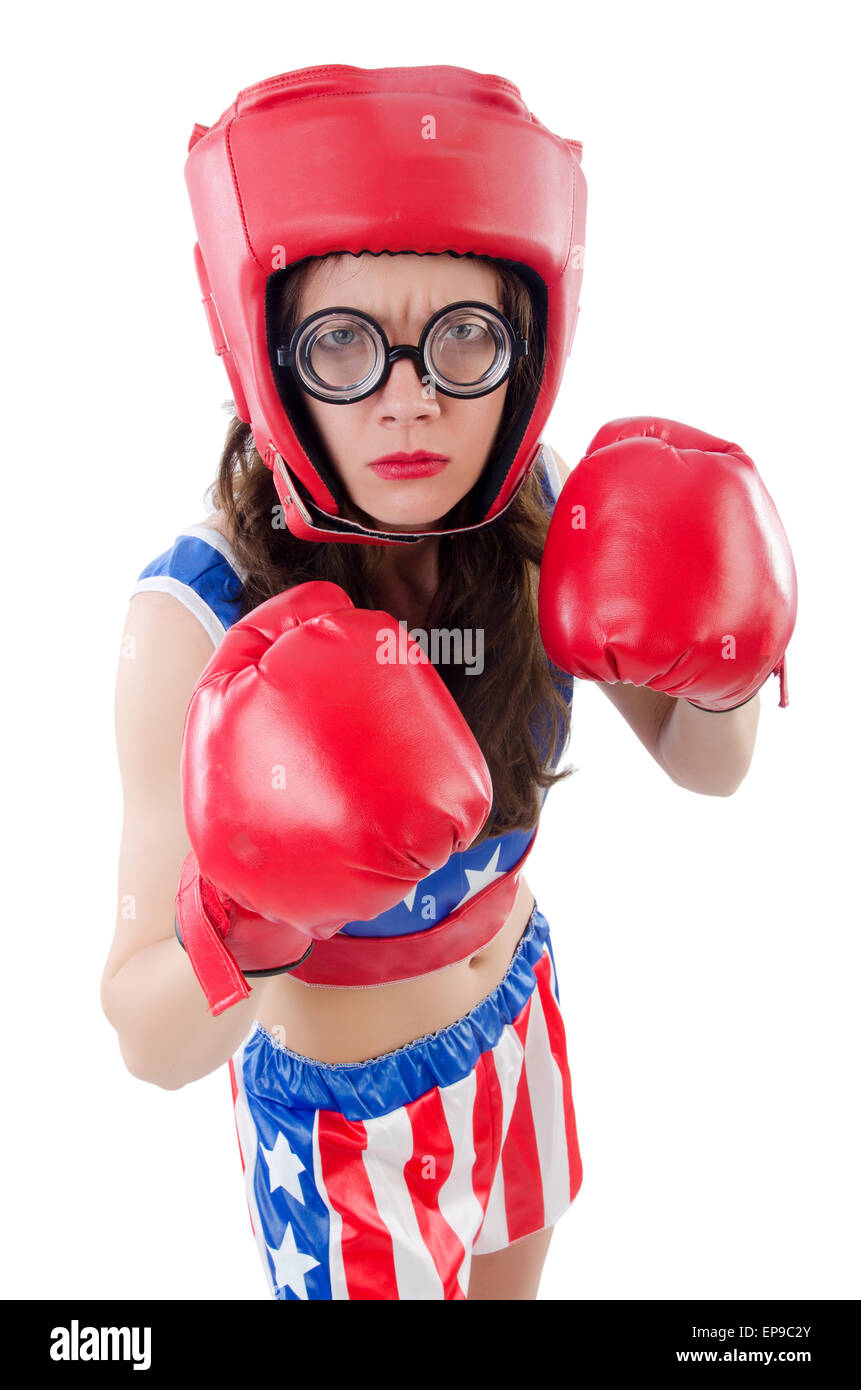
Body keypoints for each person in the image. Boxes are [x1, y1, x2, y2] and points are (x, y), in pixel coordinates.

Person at [100, 64, 796, 1302]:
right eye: (344, 343)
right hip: (342, 1127)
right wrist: (253, 915)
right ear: (274, 358)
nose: (410, 399)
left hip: (517, 1013)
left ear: (525, 346)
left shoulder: (543, 510)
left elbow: (710, 768)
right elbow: (145, 1034)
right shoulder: (194, 620)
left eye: (464, 335)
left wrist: (726, 660)